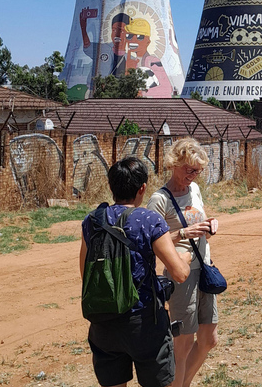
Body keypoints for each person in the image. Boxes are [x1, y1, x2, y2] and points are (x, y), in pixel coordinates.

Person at [79, 157, 191, 387]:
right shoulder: (149, 220)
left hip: (104, 322)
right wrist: (186, 256)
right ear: (143, 188)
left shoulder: (93, 220)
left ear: (111, 187)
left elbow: (86, 272)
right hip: (144, 323)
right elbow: (179, 273)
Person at [148, 138, 219, 387]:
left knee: (209, 339)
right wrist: (183, 234)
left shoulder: (195, 190)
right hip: (181, 274)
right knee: (184, 344)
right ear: (174, 164)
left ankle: (181, 384)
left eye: (198, 171)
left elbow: (198, 219)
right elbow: (151, 241)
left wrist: (209, 226)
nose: (194, 175)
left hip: (205, 268)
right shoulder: (159, 200)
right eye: (190, 170)